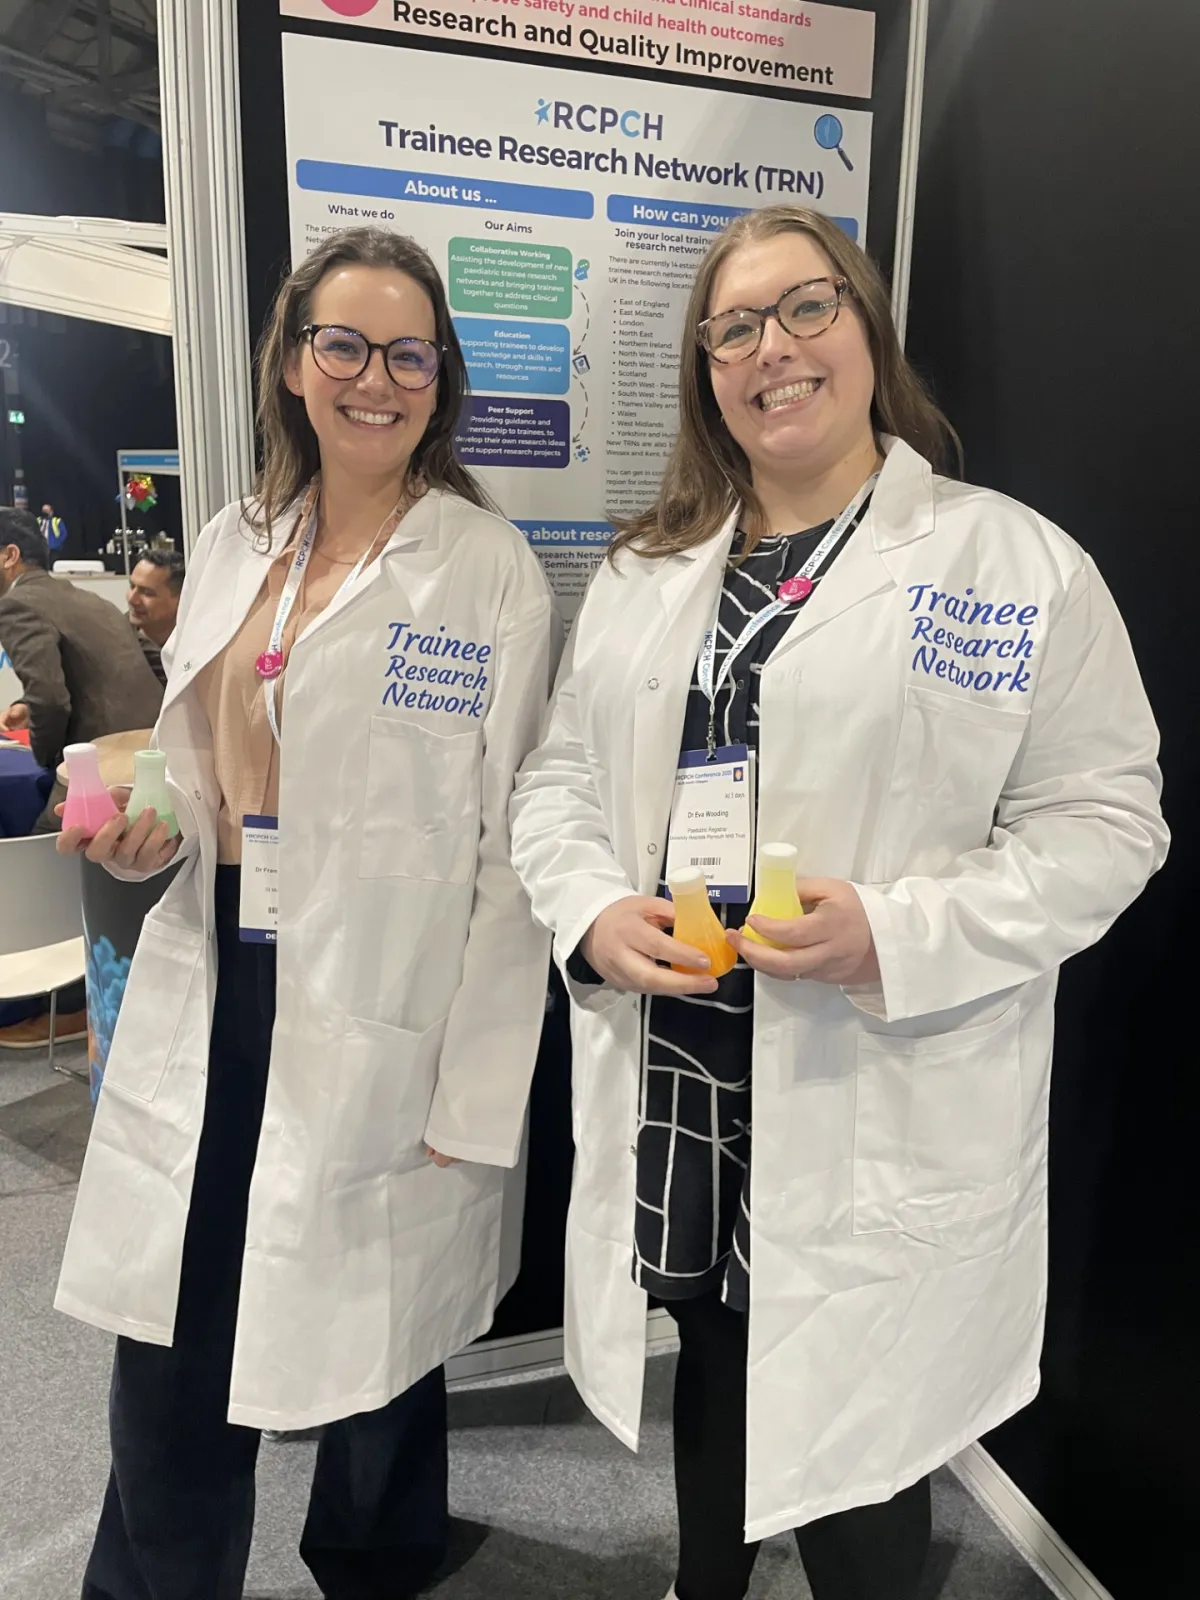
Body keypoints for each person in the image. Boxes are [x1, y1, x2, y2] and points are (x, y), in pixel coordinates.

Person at [509, 205, 1169, 1600]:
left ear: (868, 327)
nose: (774, 349)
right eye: (735, 327)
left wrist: (900, 929)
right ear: (705, 369)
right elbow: (559, 779)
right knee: (712, 1352)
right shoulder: (643, 573)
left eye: (807, 307)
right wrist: (591, 911)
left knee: (863, 1436)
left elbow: (1110, 823)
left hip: (875, 1070)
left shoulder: (1015, 565)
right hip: (688, 1055)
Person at [53, 225, 557, 1600]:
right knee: (178, 1321)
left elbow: (511, 853)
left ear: (441, 377)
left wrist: (478, 1088)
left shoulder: (486, 570)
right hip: (223, 968)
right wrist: (141, 821)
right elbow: (186, 761)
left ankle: (378, 1559)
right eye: (345, 345)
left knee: (378, 1329)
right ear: (292, 361)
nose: (375, 379)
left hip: (386, 996)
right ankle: (155, 1580)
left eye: (409, 354)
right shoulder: (234, 539)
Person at [0, 507, 164, 825]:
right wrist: (27, 705)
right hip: (153, 756)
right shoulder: (92, 599)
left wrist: (49, 763)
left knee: (42, 847)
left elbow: (49, 699)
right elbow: (154, 665)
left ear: (10, 556)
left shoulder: (15, 605)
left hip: (100, 765)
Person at [127, 547, 185, 686]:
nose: (132, 599)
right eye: (132, 586)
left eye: (147, 593)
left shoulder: (195, 647)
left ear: (181, 599)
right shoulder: (117, 642)